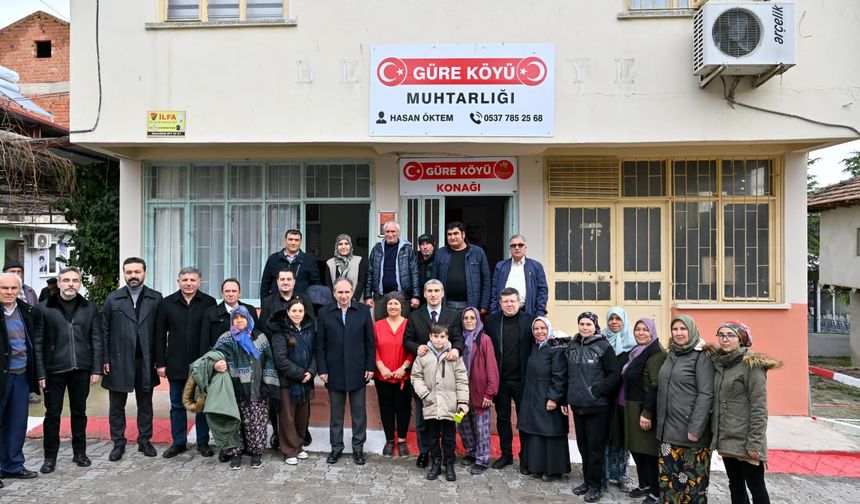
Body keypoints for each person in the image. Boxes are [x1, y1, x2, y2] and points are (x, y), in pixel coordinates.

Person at [32, 266, 103, 474]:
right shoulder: (43, 308)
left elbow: (96, 339)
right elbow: (38, 343)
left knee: (79, 412)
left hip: (81, 368)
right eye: (66, 280)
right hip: (54, 369)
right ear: (59, 283)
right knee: (52, 414)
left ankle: (79, 453)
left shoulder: (89, 308)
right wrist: (40, 372)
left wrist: (96, 368)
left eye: (74, 280)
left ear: (80, 283)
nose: (70, 284)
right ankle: (49, 457)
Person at [709, 321, 781, 504]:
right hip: (727, 435)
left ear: (741, 339)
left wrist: (755, 441)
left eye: (730, 335)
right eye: (721, 335)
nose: (725, 339)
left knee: (756, 487)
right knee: (735, 484)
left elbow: (759, 406)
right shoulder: (721, 363)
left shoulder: (751, 365)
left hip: (746, 438)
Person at [101, 257, 163, 461]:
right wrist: (105, 359)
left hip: (145, 360)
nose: (133, 275)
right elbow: (105, 331)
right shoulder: (113, 299)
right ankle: (118, 442)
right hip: (118, 361)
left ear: (145, 273)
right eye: (129, 272)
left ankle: (144, 440)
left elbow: (160, 333)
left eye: (137, 271)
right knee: (116, 405)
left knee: (145, 403)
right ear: (124, 274)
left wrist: (159, 360)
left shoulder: (156, 298)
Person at [155, 266, 217, 459]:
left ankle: (203, 442)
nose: (189, 284)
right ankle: (179, 442)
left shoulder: (209, 302)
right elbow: (158, 335)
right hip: (175, 363)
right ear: (178, 281)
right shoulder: (166, 303)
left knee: (202, 405)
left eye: (192, 280)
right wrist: (160, 363)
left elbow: (213, 334)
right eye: (185, 280)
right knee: (177, 404)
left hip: (202, 364)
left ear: (199, 282)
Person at [403, 279, 464, 468]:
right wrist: (417, 347)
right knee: (423, 422)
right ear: (424, 293)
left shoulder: (453, 315)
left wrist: (457, 350)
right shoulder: (415, 315)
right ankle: (424, 453)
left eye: (437, 290)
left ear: (443, 293)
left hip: (447, 382)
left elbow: (459, 339)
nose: (433, 294)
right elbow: (407, 340)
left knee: (448, 423)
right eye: (429, 291)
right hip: (425, 379)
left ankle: (447, 458)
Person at [655, 315, 715, 503]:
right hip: (668, 432)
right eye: (675, 329)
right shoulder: (672, 353)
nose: (679, 333)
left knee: (693, 487)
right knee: (669, 485)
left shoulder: (701, 355)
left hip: (691, 434)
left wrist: (695, 428)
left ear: (692, 330)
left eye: (683, 329)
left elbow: (706, 394)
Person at [316, 278, 375, 465]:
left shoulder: (364, 311)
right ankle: (336, 448)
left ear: (352, 292)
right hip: (333, 371)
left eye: (347, 292)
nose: (343, 296)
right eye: (339, 292)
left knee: (359, 413)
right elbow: (320, 345)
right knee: (336, 414)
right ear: (334, 293)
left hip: (358, 369)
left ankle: (358, 448)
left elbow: (370, 343)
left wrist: (370, 366)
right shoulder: (325, 313)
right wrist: (322, 369)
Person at [562, 312, 619, 503]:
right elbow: (566, 375)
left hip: (597, 407)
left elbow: (614, 375)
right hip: (578, 406)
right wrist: (565, 399)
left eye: (588, 324)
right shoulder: (572, 346)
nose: (585, 327)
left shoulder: (603, 347)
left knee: (595, 449)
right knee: (583, 446)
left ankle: (596, 485)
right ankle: (587, 481)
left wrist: (597, 391)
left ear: (595, 326)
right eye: (581, 324)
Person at [213, 306, 279, 469]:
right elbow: (214, 357)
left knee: (256, 423)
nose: (239, 320)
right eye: (235, 318)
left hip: (256, 390)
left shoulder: (260, 337)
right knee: (234, 422)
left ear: (248, 319)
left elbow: (270, 360)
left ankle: (256, 453)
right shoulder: (225, 339)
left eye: (242, 317)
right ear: (232, 321)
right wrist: (216, 364)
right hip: (233, 390)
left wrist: (267, 384)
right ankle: (235, 453)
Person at [258, 268, 313, 449]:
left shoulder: (303, 299)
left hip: (301, 357)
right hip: (277, 357)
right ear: (277, 281)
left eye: (289, 279)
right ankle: (276, 432)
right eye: (282, 279)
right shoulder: (269, 301)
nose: (285, 282)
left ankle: (302, 432)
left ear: (294, 281)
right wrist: (278, 342)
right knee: (278, 400)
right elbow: (264, 326)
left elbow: (311, 323)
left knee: (302, 400)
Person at [410, 324, 469, 482]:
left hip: (451, 406)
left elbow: (462, 379)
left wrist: (463, 401)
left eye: (442, 337)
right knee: (432, 436)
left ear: (447, 338)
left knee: (449, 437)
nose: (439, 340)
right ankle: (435, 463)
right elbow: (416, 377)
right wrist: (425, 394)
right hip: (431, 403)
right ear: (430, 337)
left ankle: (449, 464)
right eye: (436, 336)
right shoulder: (423, 356)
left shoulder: (454, 356)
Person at [483, 287, 533, 470]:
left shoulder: (530, 320)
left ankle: (526, 457)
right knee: (503, 419)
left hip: (522, 379)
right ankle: (506, 455)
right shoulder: (491, 321)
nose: (510, 304)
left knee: (524, 419)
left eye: (513, 301)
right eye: (506, 301)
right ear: (500, 303)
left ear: (519, 302)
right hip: (501, 379)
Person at [621, 318, 667, 504]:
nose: (640, 333)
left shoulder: (656, 353)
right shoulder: (638, 352)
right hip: (632, 406)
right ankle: (644, 484)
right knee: (636, 449)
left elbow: (656, 386)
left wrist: (647, 413)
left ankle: (655, 491)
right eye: (637, 329)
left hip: (645, 409)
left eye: (645, 330)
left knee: (648, 452)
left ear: (653, 332)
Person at [518, 317, 570, 482]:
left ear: (549, 329)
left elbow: (560, 375)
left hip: (548, 396)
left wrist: (554, 398)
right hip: (534, 395)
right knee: (537, 433)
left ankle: (553, 469)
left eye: (543, 328)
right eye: (536, 329)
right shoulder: (536, 346)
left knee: (550, 432)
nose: (539, 331)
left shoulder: (556, 347)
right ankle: (538, 467)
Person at [0, 272, 39, 485]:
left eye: (13, 288)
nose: (8, 292)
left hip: (21, 375)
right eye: (4, 288)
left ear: (19, 291)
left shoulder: (26, 311)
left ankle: (12, 465)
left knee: (17, 423)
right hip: (1, 377)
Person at [270, 298, 316, 465]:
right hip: (287, 381)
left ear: (304, 313)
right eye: (294, 311)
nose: (297, 314)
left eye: (300, 311)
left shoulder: (309, 330)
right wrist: (299, 374)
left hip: (306, 381)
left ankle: (299, 446)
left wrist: (310, 372)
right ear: (288, 312)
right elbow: (280, 359)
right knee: (287, 417)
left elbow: (315, 353)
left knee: (302, 417)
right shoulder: (280, 332)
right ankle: (289, 450)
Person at [457, 307, 498, 475]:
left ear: (478, 320)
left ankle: (482, 459)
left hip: (480, 390)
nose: (468, 321)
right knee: (461, 422)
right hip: (461, 391)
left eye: (472, 318)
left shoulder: (484, 339)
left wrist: (490, 392)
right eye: (466, 318)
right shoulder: (459, 339)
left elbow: (492, 366)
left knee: (482, 427)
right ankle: (471, 452)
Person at [372, 291, 413, 458]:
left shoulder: (409, 325)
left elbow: (413, 347)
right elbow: (372, 347)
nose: (393, 306)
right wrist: (381, 368)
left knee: (403, 408)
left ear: (402, 306)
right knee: (386, 408)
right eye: (390, 303)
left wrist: (404, 367)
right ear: (385, 306)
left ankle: (402, 440)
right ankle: (390, 440)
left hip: (403, 375)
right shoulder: (378, 325)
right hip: (383, 375)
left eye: (396, 303)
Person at [601, 307, 637, 491]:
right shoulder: (601, 342)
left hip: (623, 399)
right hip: (604, 399)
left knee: (623, 438)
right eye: (611, 319)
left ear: (624, 321)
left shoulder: (633, 346)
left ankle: (622, 475)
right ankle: (605, 475)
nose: (614, 322)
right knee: (605, 436)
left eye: (618, 319)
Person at [364, 221, 420, 320]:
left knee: (402, 329)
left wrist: (416, 295)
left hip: (402, 297)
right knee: (381, 328)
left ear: (398, 232)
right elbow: (370, 273)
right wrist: (368, 296)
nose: (390, 234)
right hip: (381, 297)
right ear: (384, 233)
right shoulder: (376, 249)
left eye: (393, 231)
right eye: (387, 231)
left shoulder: (407, 249)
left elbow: (414, 272)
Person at [432, 221, 490, 314]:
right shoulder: (440, 253)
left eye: (456, 233)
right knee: (446, 329)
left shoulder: (477, 252)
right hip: (446, 304)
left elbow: (486, 280)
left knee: (469, 329)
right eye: (449, 234)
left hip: (470, 304)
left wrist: (484, 305)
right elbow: (434, 280)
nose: (452, 237)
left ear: (463, 234)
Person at [489, 234, 548, 317]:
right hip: (505, 312)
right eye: (513, 245)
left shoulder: (536, 266)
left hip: (527, 311)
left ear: (525, 248)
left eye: (520, 245)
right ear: (509, 248)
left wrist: (540, 312)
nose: (517, 248)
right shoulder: (501, 266)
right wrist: (494, 311)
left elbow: (542, 290)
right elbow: (494, 291)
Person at [200, 278, 259, 354]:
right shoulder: (210, 313)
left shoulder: (250, 310)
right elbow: (205, 343)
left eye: (234, 291)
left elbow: (257, 336)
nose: (230, 294)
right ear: (222, 293)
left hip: (246, 358)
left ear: (239, 293)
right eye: (227, 291)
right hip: (220, 360)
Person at [260, 229, 321, 300]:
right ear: (285, 240)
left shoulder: (309, 260)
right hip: (276, 304)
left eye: (296, 240)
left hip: (301, 305)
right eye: (290, 239)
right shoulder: (273, 259)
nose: (293, 242)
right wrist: (265, 306)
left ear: (300, 242)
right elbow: (265, 285)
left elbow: (316, 285)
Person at [324, 234, 368, 301]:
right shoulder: (330, 263)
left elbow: (362, 281)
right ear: (336, 246)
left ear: (350, 246)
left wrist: (354, 298)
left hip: (355, 301)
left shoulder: (359, 260)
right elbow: (328, 284)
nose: (343, 247)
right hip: (336, 301)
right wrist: (335, 298)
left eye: (346, 244)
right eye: (340, 244)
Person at [416, 234, 435, 302]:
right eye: (422, 244)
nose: (425, 247)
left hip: (434, 297)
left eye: (428, 244)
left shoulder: (438, 259)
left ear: (433, 245)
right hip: (417, 298)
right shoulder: (414, 259)